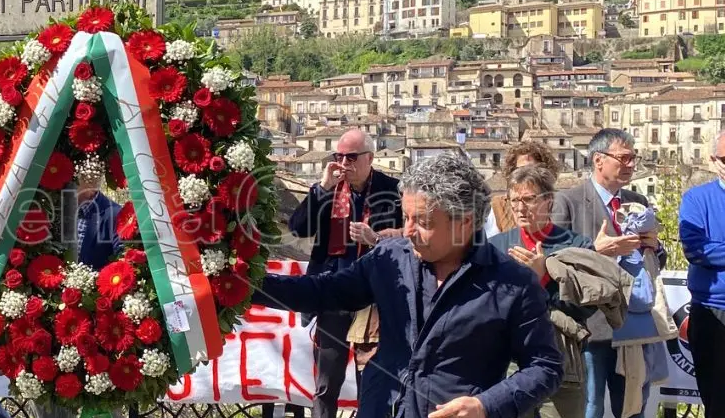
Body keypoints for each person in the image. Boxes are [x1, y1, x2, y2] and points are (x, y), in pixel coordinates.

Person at [255, 152, 562, 418]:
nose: (409, 231)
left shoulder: (513, 283)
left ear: (465, 223)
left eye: (423, 222)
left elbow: (545, 367)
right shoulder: (389, 259)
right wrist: (248, 285)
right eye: (406, 218)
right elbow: (322, 291)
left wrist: (485, 405)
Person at [286, 128, 402, 418]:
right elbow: (298, 228)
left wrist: (376, 238)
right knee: (327, 381)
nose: (343, 164)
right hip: (334, 291)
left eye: (351, 157)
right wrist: (322, 188)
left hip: (373, 296)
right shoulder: (329, 189)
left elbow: (411, 236)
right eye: (338, 157)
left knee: (371, 379)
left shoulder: (393, 189)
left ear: (369, 158)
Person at [551, 128, 665, 418]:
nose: (631, 164)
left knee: (632, 408)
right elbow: (555, 262)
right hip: (591, 325)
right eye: (623, 158)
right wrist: (596, 250)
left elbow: (654, 264)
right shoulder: (568, 201)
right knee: (590, 408)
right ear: (598, 160)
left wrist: (655, 248)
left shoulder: (638, 201)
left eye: (633, 158)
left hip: (633, 324)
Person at [488, 165, 598, 418]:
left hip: (562, 360)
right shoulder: (495, 247)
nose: (520, 208)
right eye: (514, 200)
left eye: (529, 199)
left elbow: (587, 306)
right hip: (509, 362)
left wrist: (545, 277)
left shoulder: (577, 246)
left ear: (549, 200)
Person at [678, 130, 725, 417]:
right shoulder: (696, 199)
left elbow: (709, 251)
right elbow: (696, 250)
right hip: (712, 312)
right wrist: (710, 251)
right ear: (712, 159)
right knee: (717, 402)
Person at [484, 141, 563, 238]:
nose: (527, 174)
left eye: (533, 169)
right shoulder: (498, 206)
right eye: (520, 170)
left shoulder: (559, 204)